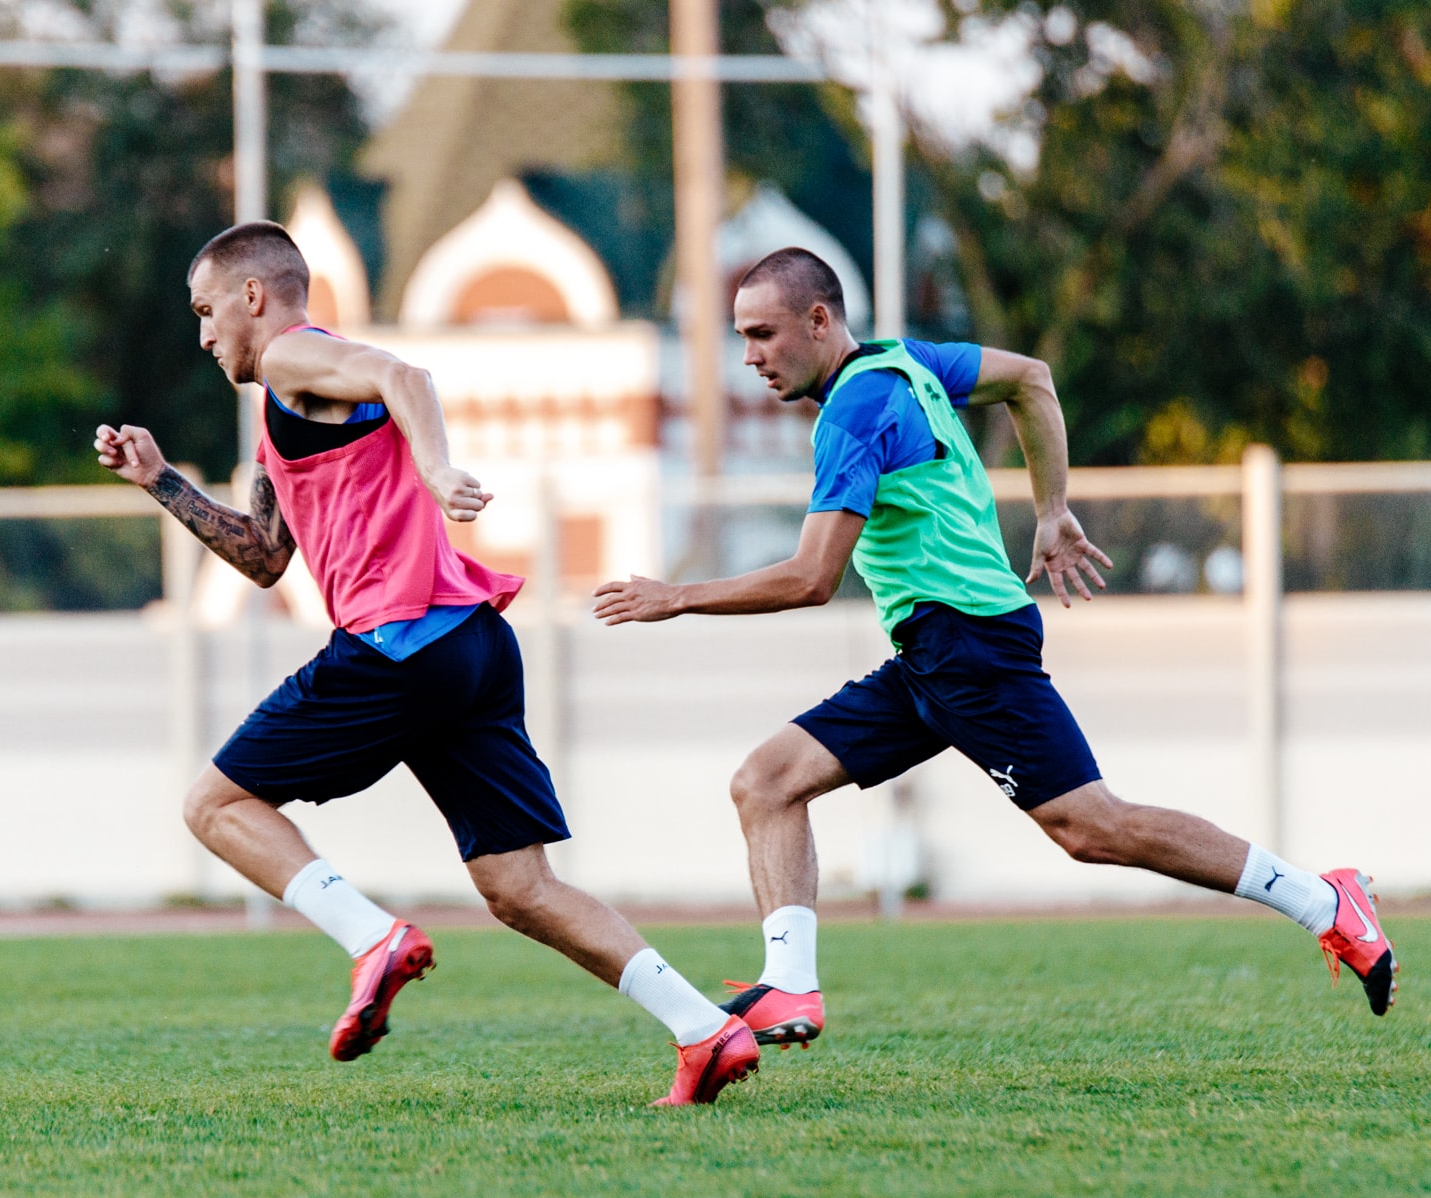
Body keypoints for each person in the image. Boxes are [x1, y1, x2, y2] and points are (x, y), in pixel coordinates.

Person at [592, 246, 1398, 1053]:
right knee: (766, 783)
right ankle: (790, 988)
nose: (750, 358)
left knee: (1093, 827)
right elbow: (1031, 378)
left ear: (818, 319)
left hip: (968, 643)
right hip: (933, 649)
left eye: (763, 334)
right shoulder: (906, 361)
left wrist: (679, 596)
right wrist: (1052, 510)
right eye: (742, 338)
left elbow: (811, 577)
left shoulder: (852, 413)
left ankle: (1324, 903)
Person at [96, 221, 759, 1105]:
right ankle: (705, 1030)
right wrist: (162, 481)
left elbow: (406, 376)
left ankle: (373, 941)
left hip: (398, 644)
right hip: (472, 643)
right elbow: (263, 556)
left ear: (254, 296)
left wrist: (440, 471)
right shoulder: (285, 409)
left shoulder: (295, 356)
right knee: (519, 887)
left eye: (207, 310)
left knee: (214, 803)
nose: (204, 333)